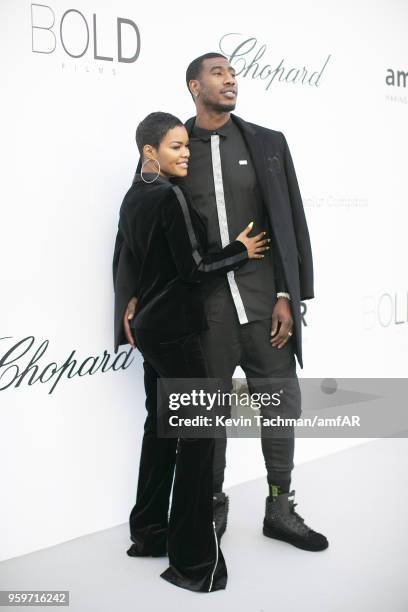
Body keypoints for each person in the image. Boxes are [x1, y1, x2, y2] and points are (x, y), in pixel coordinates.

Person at [128, 53, 329, 553]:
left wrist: (289, 294)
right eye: (218, 72)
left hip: (266, 304)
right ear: (193, 85)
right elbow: (141, 228)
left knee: (281, 404)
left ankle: (280, 507)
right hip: (203, 311)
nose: (230, 78)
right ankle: (209, 507)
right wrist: (132, 294)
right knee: (208, 415)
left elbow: (289, 222)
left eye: (233, 72)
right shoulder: (176, 148)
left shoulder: (266, 142)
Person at [112, 111, 269, 592]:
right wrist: (240, 249)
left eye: (187, 146)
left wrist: (130, 303)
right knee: (199, 437)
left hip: (150, 331)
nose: (186, 153)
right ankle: (192, 558)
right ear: (149, 152)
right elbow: (196, 267)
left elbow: (131, 260)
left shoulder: (134, 195)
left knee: (160, 430)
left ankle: (149, 532)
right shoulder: (169, 195)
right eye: (176, 146)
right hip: (177, 333)